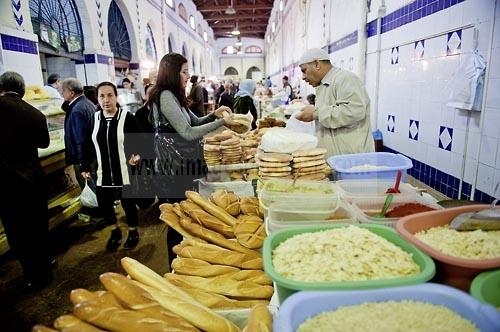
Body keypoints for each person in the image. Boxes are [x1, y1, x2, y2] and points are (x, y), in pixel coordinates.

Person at [147, 53, 232, 265]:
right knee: (179, 221)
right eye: (184, 72)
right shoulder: (165, 95)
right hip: (173, 170)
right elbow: (187, 132)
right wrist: (222, 124)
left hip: (182, 167)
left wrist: (215, 115)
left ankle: (186, 263)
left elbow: (195, 122)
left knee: (186, 217)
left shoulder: (175, 96)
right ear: (172, 73)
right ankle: (176, 266)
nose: (188, 75)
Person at [0, 71, 51, 290]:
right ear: (22, 90)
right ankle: (45, 266)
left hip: (5, 182)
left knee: (16, 229)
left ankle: (32, 273)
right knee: (38, 225)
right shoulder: (35, 114)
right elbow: (45, 144)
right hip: (33, 179)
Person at [81, 82, 143, 251]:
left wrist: (137, 156)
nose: (106, 100)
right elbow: (86, 144)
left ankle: (132, 232)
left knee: (128, 203)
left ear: (116, 97)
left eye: (110, 95)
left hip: (124, 170)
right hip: (103, 172)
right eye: (102, 96)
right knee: (105, 204)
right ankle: (114, 231)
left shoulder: (128, 118)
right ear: (98, 99)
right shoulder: (93, 120)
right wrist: (84, 165)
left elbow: (142, 142)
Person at [295, 48, 374, 157]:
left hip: (349, 161)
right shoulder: (323, 85)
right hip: (334, 159)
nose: (303, 77)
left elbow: (354, 111)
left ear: (317, 64)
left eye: (304, 70)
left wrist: (316, 113)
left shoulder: (345, 79)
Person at [61, 78, 96, 189]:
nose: (62, 93)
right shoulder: (87, 103)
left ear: (71, 93)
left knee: (89, 189)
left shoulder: (76, 110)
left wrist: (82, 164)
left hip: (84, 158)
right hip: (92, 155)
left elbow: (79, 139)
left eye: (63, 91)